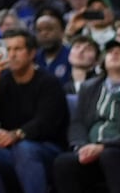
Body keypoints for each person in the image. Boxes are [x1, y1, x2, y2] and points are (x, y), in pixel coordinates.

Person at [0, 27, 69, 193]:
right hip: (13, 151)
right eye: (8, 49)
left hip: (48, 149)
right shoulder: (3, 80)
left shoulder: (49, 82)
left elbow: (46, 123)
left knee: (25, 148)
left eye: (18, 49)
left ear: (31, 53)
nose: (12, 54)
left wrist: (16, 134)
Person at [51, 37, 120, 192]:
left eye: (119, 52)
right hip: (91, 148)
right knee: (63, 162)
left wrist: (103, 146)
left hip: (114, 148)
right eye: (110, 52)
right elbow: (78, 122)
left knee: (109, 155)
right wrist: (81, 146)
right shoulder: (89, 88)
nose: (115, 54)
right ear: (102, 61)